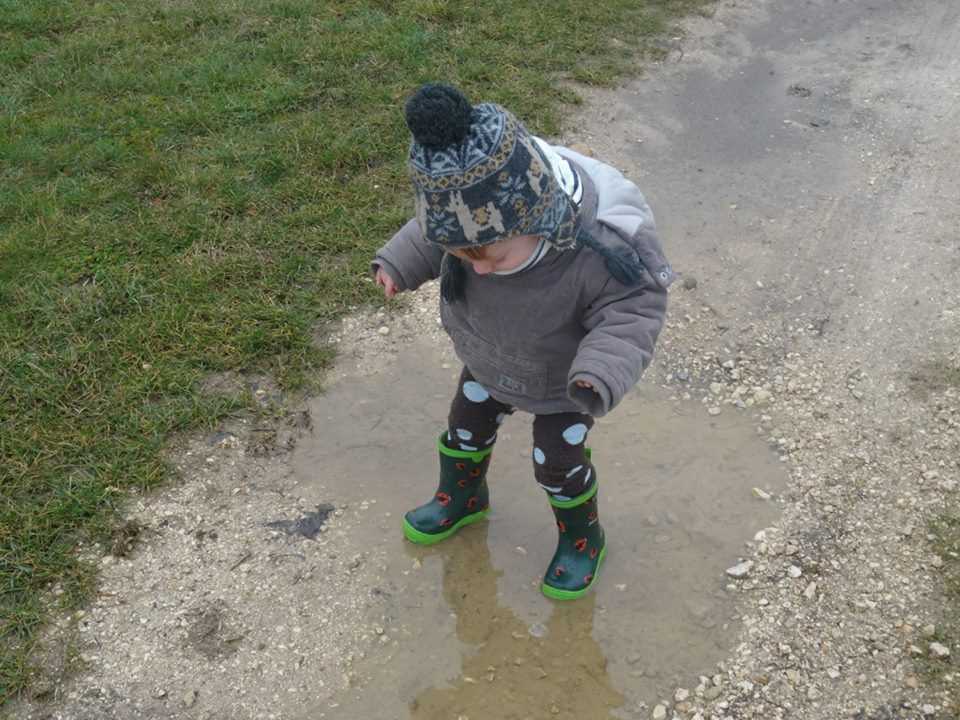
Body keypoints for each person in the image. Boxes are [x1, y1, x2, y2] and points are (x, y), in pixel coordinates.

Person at [372, 83, 674, 600]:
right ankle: (464, 496)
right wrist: (400, 263)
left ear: (537, 219)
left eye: (492, 257)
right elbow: (433, 234)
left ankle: (583, 539)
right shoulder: (471, 224)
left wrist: (600, 371)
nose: (480, 269)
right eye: (464, 258)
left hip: (564, 382)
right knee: (465, 428)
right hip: (488, 357)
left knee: (555, 461)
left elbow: (633, 310)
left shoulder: (597, 247)